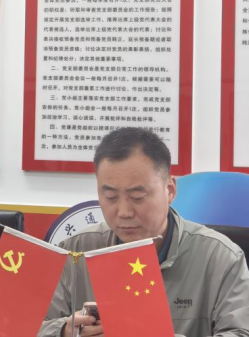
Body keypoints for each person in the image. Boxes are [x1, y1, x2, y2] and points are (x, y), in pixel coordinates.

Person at [39, 127, 249, 337]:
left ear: (170, 190)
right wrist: (63, 331)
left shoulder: (220, 257)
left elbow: (241, 332)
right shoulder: (74, 252)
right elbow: (29, 326)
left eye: (137, 197)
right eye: (111, 197)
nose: (124, 212)